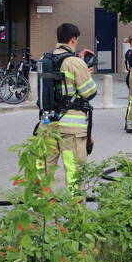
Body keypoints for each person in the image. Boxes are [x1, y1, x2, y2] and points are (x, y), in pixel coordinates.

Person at [41, 23, 97, 190]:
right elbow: (90, 92)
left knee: (44, 170)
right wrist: (85, 71)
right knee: (74, 172)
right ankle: (75, 212)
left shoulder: (46, 59)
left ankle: (41, 210)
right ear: (73, 39)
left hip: (47, 124)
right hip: (71, 129)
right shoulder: (75, 63)